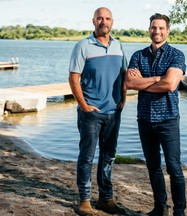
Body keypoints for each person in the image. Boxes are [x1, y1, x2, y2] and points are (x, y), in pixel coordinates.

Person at [125, 13, 186, 216]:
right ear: (149, 30)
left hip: (168, 119)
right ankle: (160, 208)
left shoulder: (176, 55)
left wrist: (146, 82)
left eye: (161, 28)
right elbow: (130, 83)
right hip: (144, 119)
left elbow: (170, 85)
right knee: (153, 167)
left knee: (174, 167)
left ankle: (179, 211)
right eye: (153, 27)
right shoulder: (138, 56)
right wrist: (158, 77)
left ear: (167, 31)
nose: (157, 31)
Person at [68, 7, 127, 216]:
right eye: (100, 18)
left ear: (113, 22)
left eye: (108, 18)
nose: (104, 21)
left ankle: (105, 199)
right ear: (93, 21)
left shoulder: (119, 46)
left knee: (108, 157)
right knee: (87, 157)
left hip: (113, 113)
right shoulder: (83, 46)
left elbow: (124, 75)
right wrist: (84, 106)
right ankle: (84, 201)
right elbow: (74, 78)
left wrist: (123, 98)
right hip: (91, 113)